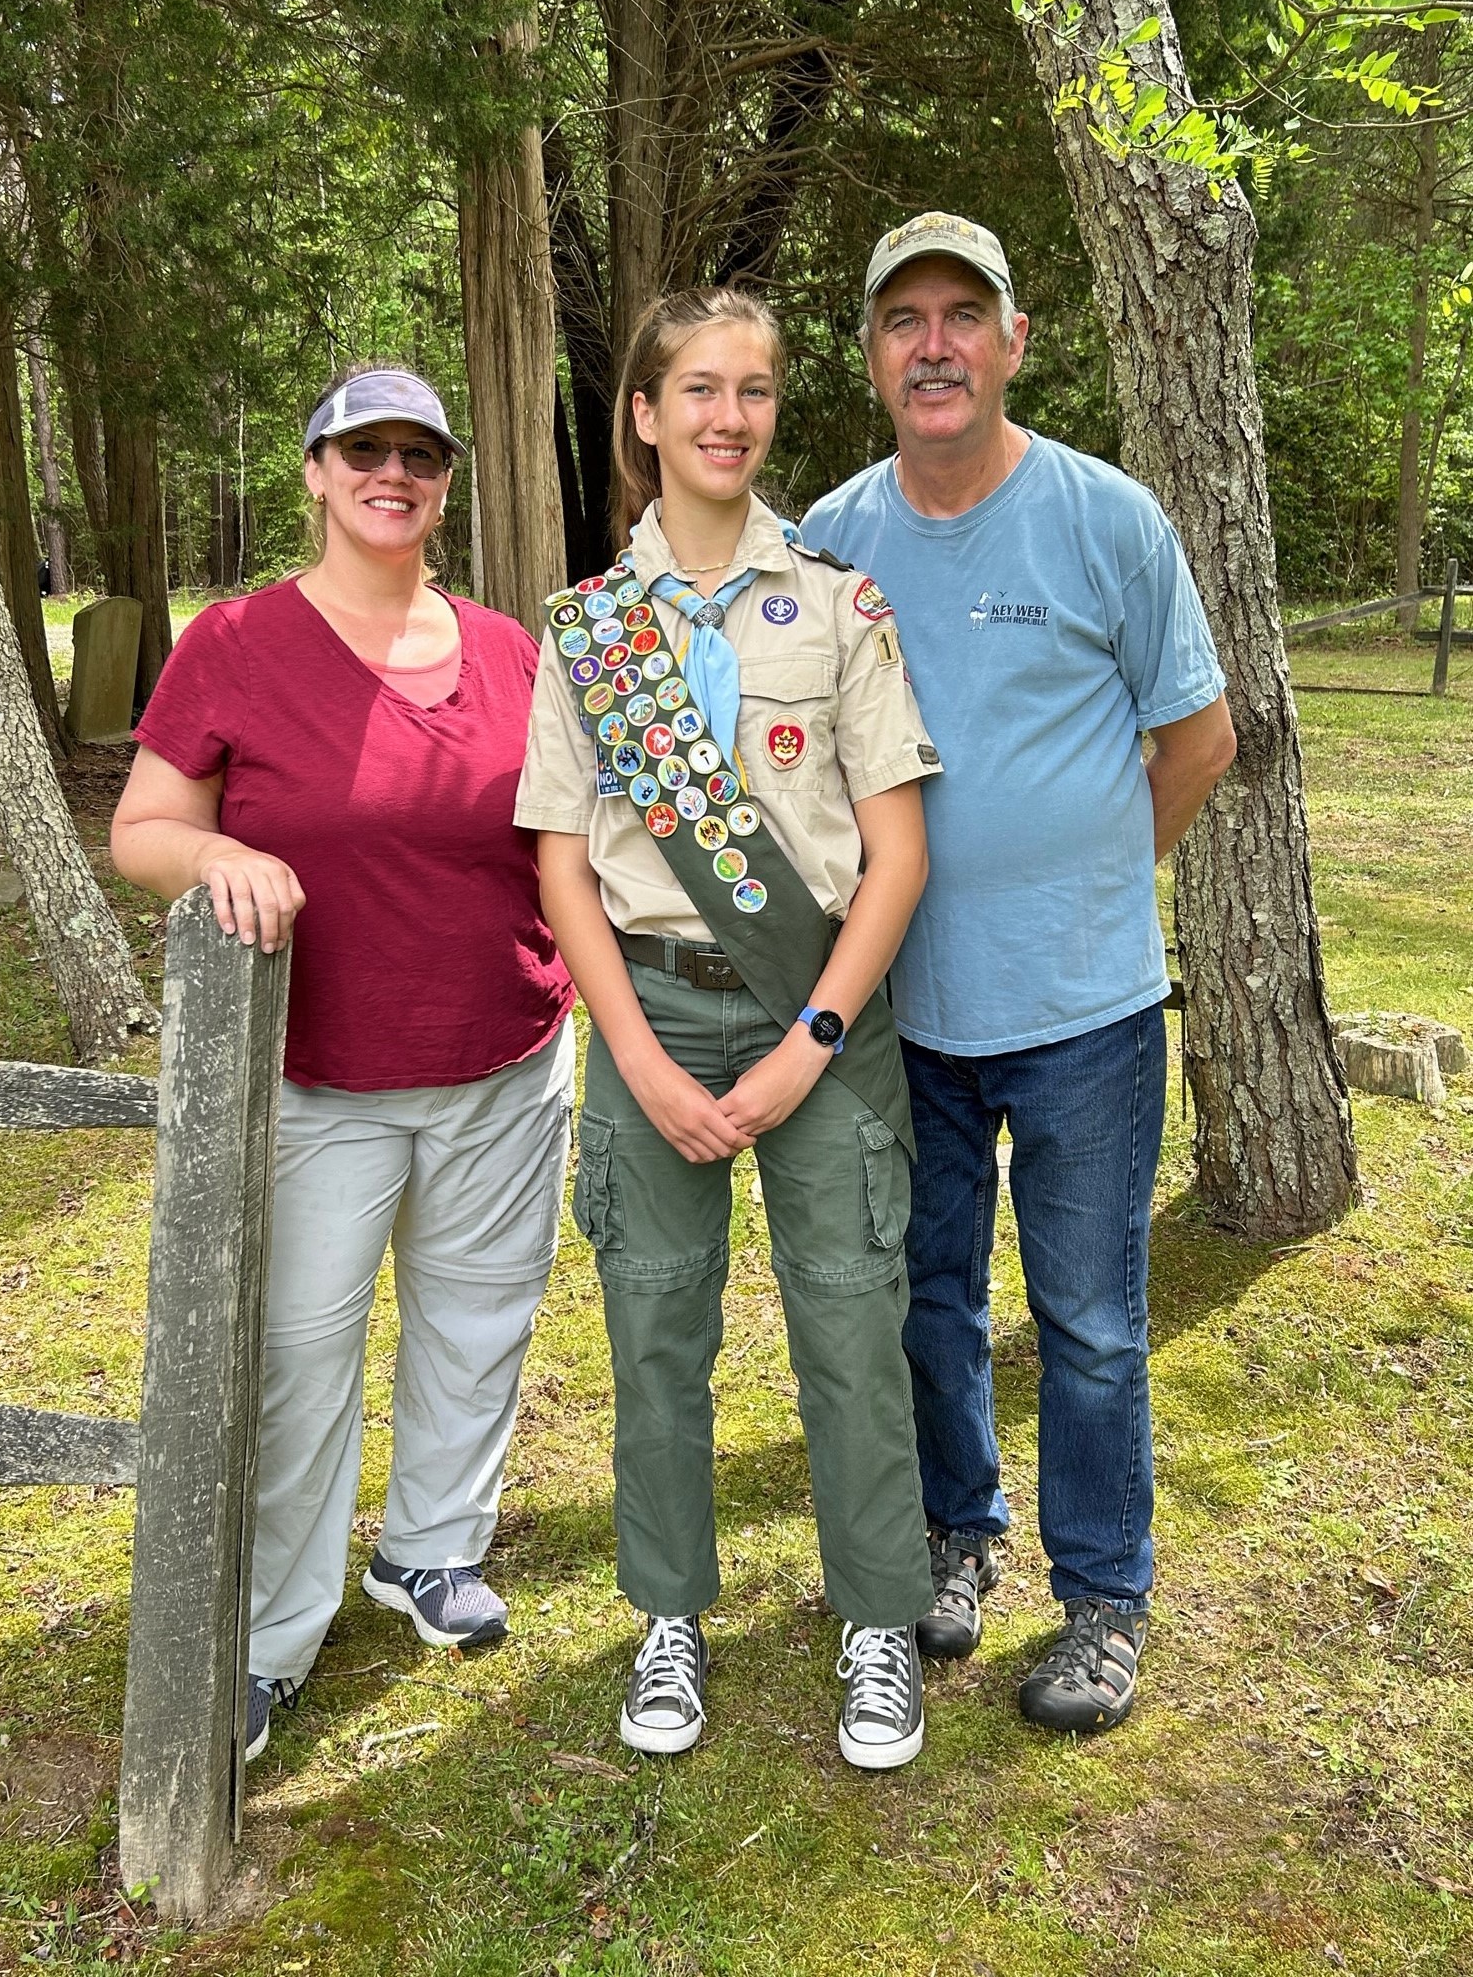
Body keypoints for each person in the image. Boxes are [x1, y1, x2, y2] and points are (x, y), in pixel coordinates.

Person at [802, 213, 1237, 1734]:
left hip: (1085, 1015)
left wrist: (1098, 876)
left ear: (1012, 342)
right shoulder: (830, 540)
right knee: (925, 1295)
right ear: (873, 359)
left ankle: (1105, 1598)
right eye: (904, 320)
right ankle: (952, 1533)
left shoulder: (1109, 520)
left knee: (1092, 1319)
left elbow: (1196, 738)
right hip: (904, 1011)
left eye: (961, 316)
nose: (935, 344)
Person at [110, 363, 575, 1760]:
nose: (394, 473)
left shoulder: (507, 651)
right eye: (363, 448)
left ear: (446, 481)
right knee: (301, 1355)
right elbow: (142, 826)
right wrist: (218, 850)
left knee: (477, 1318)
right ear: (314, 470)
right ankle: (267, 1632)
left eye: (420, 454)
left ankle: (429, 1550)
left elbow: (563, 849)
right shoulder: (240, 642)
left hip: (506, 1055)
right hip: (320, 1075)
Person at [515, 288, 944, 1770]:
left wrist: (807, 1041)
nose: (727, 416)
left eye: (754, 390)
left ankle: (879, 1617)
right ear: (642, 414)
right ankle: (669, 1615)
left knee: (850, 1324)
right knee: (656, 1334)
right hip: (650, 1022)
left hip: (816, 1022)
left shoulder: (836, 607)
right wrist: (632, 1056)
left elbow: (897, 856)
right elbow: (564, 862)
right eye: (697, 388)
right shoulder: (587, 633)